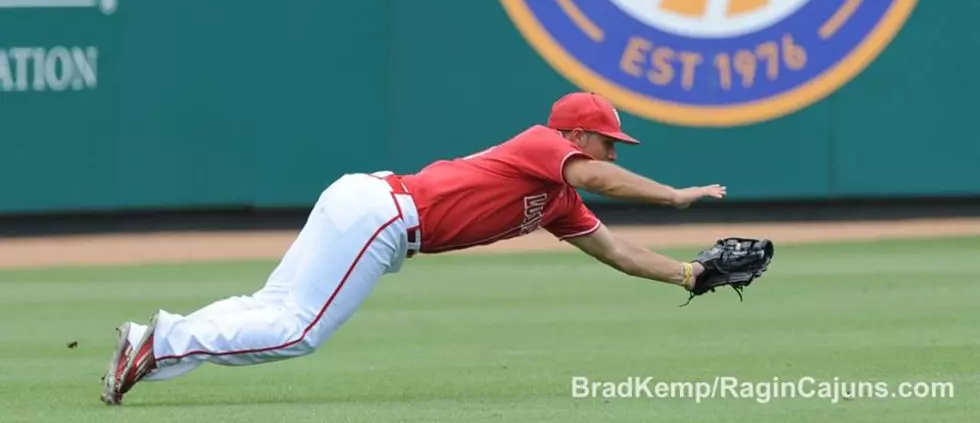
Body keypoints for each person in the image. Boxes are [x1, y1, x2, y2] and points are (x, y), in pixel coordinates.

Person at [100, 91, 728, 405]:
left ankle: (155, 338)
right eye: (608, 141)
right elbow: (594, 177)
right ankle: (162, 344)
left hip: (371, 203)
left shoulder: (559, 203)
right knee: (297, 332)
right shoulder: (542, 143)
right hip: (384, 214)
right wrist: (673, 196)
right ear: (575, 134)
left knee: (272, 305)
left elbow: (617, 252)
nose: (614, 152)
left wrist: (689, 273)